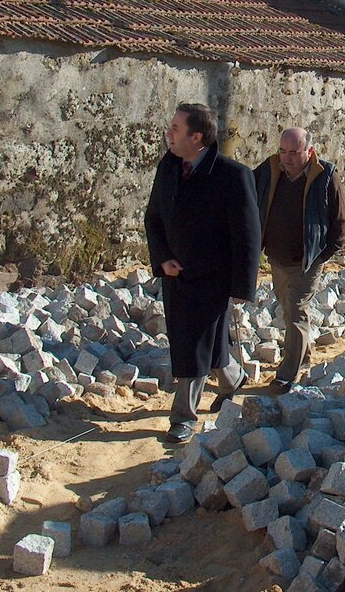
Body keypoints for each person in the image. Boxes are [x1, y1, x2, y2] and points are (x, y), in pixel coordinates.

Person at [144, 102, 261, 443]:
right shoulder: (168, 167)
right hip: (175, 276)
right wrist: (162, 258)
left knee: (192, 344)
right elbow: (153, 218)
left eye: (176, 128)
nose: (170, 133)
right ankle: (232, 377)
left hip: (213, 277)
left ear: (196, 137)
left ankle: (183, 417)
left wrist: (243, 285)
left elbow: (247, 235)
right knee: (199, 341)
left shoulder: (232, 175)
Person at [254, 128, 345, 392]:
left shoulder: (325, 176)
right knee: (287, 308)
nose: (286, 158)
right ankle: (303, 356)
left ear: (310, 151)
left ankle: (287, 374)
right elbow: (243, 187)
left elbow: (339, 222)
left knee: (296, 311)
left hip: (307, 260)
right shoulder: (270, 169)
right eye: (282, 151)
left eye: (293, 152)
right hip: (276, 257)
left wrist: (323, 255)